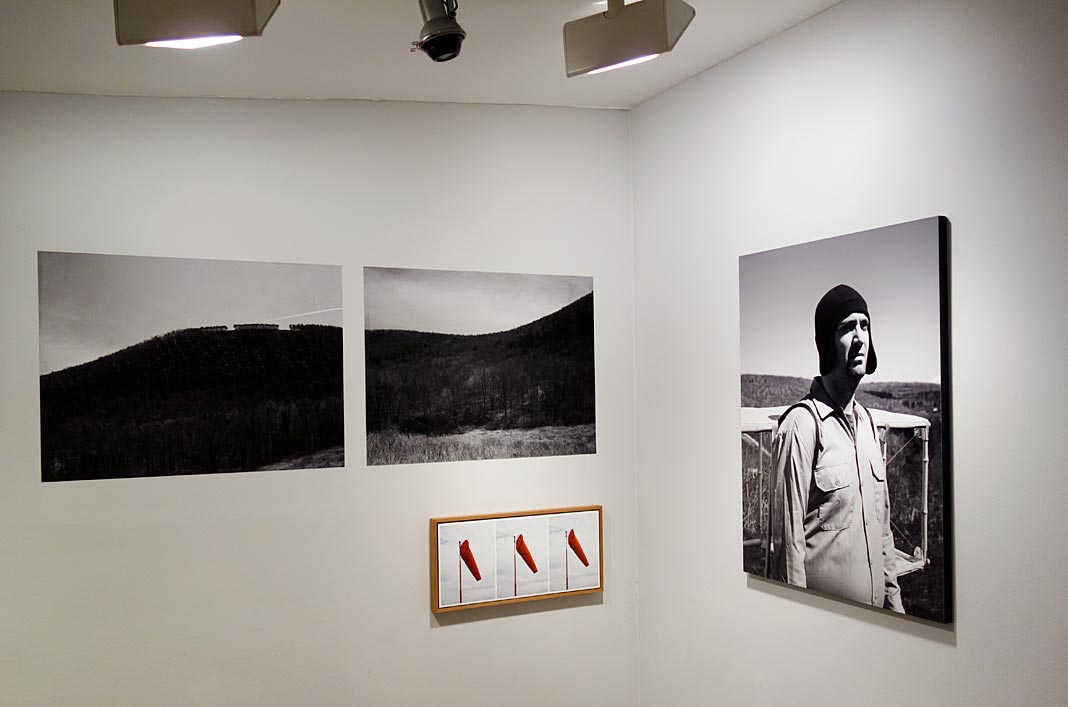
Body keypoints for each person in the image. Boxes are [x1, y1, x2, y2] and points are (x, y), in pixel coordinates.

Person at [770, 284, 904, 613]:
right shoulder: (802, 426)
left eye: (865, 325)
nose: (860, 338)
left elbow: (882, 530)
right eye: (847, 328)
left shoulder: (868, 425)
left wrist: (895, 603)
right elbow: (788, 552)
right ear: (827, 343)